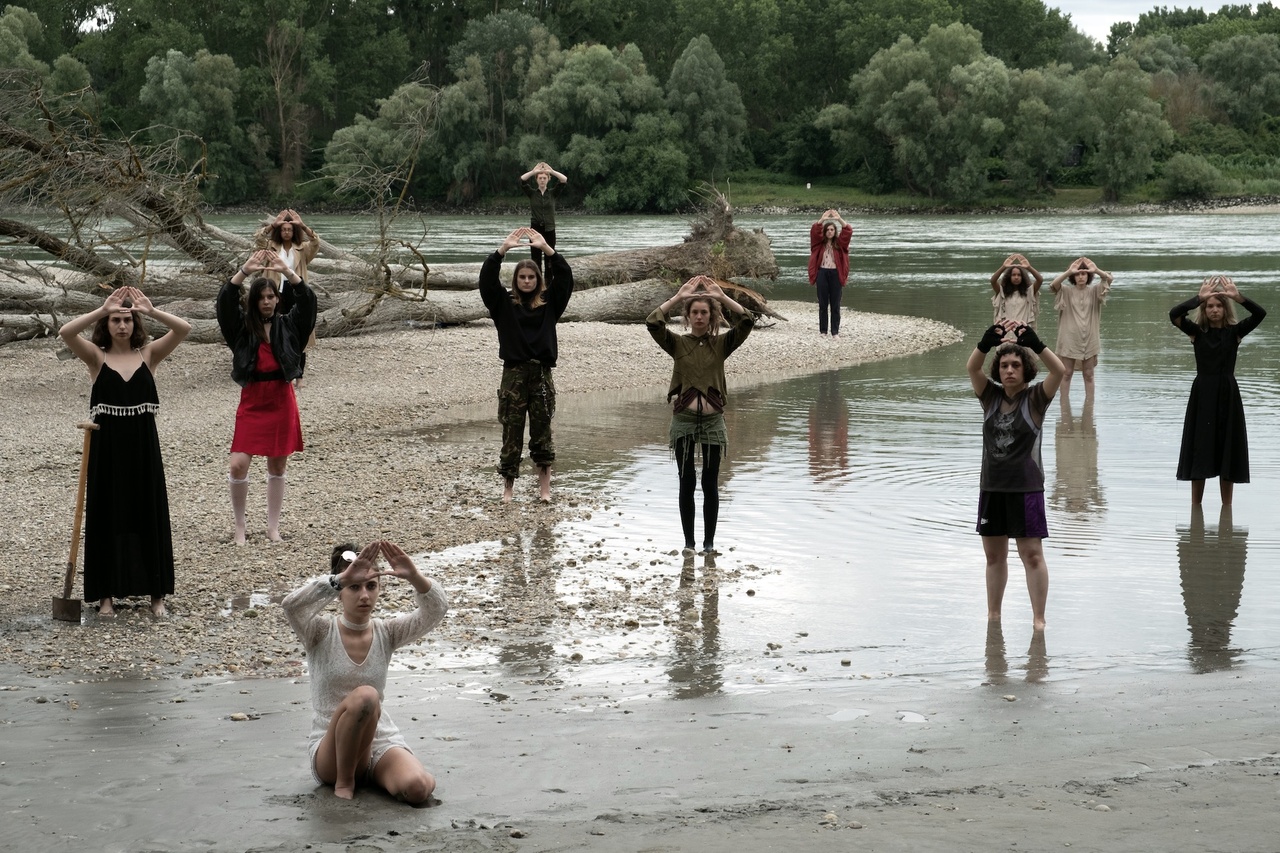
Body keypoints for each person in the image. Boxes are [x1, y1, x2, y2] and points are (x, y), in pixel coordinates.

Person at [281, 540, 448, 803]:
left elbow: (436, 610)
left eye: (371, 586)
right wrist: (338, 579)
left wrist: (415, 577)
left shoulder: (388, 632)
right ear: (341, 592)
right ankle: (346, 782)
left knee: (418, 788)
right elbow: (291, 605)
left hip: (378, 742)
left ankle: (388, 774)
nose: (364, 596)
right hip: (331, 749)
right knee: (366, 697)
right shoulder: (319, 632)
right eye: (354, 587)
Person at [59, 286, 191, 617]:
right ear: (108, 324)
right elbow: (66, 332)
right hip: (107, 453)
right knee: (108, 517)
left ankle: (156, 595)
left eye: (127, 320)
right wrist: (101, 310)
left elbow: (184, 329)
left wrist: (151, 310)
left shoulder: (149, 355)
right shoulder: (95, 357)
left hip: (144, 450)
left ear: (135, 324)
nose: (122, 326)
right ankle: (105, 597)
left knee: (149, 513)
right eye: (116, 320)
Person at [966, 321, 1065, 631]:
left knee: (1032, 555)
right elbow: (972, 368)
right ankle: (994, 618)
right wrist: (984, 344)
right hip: (992, 487)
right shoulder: (990, 396)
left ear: (1025, 370)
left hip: (1027, 488)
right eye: (1005, 365)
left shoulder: (1036, 398)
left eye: (1016, 365)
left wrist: (1036, 344)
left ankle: (1039, 620)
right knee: (994, 557)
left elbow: (1059, 371)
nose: (1010, 370)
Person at [216, 249, 317, 544]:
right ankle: (240, 527)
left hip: (282, 399)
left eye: (271, 297)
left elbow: (308, 301)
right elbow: (224, 302)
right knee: (238, 464)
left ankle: (273, 528)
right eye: (261, 298)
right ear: (253, 301)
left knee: (277, 465)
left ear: (277, 299)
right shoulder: (241, 329)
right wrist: (245, 271)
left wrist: (286, 271)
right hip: (253, 399)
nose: (266, 302)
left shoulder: (290, 325)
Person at [647, 276, 753, 554]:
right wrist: (679, 297)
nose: (699, 316)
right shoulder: (677, 343)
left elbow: (747, 321)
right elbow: (652, 322)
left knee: (709, 481)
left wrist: (722, 297)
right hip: (683, 420)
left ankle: (709, 544)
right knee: (687, 480)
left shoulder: (722, 344)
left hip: (713, 421)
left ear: (711, 315)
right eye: (694, 312)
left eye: (704, 312)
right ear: (688, 316)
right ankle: (689, 543)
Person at [478, 227, 574, 503]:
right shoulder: (503, 304)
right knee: (512, 431)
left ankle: (545, 489)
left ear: (538, 279)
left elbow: (565, 278)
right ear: (516, 280)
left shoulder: (550, 304)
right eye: (522, 277)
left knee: (542, 432)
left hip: (542, 374)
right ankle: (508, 490)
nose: (527, 281)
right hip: (514, 375)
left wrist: (547, 249)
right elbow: (486, 281)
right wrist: (502, 250)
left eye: (532, 277)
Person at [1169, 276, 1266, 506]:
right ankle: (1196, 507)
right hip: (1203, 394)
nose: (1214, 310)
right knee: (1199, 448)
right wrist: (1198, 298)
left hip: (1228, 394)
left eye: (1219, 305)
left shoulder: (1236, 333)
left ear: (1225, 308)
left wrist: (1238, 297)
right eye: (1210, 306)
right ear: (1205, 309)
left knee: (1227, 449)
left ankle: (1227, 508)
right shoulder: (1196, 333)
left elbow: (1259, 314)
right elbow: (1174, 315)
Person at [257, 209, 320, 388]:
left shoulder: (302, 249)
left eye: (289, 229)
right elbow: (258, 238)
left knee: (301, 331)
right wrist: (273, 225)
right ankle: (278, 370)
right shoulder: (271, 246)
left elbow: (316, 242)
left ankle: (299, 375)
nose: (286, 232)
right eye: (283, 229)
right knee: (274, 328)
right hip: (275, 291)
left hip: (296, 290)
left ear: (294, 232)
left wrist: (303, 226)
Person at [1049, 256, 1113, 396]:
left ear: (1088, 275)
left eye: (1083, 273)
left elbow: (1108, 279)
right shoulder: (1066, 291)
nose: (1080, 277)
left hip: (1090, 338)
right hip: (1069, 338)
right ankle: (1064, 406)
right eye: (1077, 274)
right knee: (1066, 374)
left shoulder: (1095, 290)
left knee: (1089, 374)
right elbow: (1053, 285)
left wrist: (1096, 270)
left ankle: (1089, 408)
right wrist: (1069, 272)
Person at [806, 209, 853, 337]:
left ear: (835, 231)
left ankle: (835, 332)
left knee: (835, 305)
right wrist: (823, 219)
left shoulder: (840, 244)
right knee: (822, 304)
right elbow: (814, 230)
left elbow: (848, 231)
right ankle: (823, 331)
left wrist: (838, 219)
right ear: (825, 232)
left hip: (835, 274)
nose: (830, 232)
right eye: (828, 230)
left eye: (832, 230)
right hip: (822, 273)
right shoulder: (818, 244)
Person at [519, 162, 567, 277]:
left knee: (550, 258)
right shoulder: (532, 193)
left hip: (549, 228)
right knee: (535, 259)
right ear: (537, 180)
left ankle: (549, 284)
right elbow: (522, 180)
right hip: (535, 230)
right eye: (540, 178)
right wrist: (533, 172)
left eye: (544, 178)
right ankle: (537, 285)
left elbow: (564, 180)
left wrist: (552, 171)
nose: (542, 180)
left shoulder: (552, 194)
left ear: (548, 179)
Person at [990, 253, 1043, 334]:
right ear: (1009, 277)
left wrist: (1029, 267)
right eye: (1013, 275)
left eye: (1019, 275)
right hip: (1005, 333)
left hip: (1022, 333)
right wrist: (1003, 267)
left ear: (1023, 277)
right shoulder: (1002, 293)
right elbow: (993, 281)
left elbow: (1040, 280)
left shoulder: (1029, 292)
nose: (1016, 277)